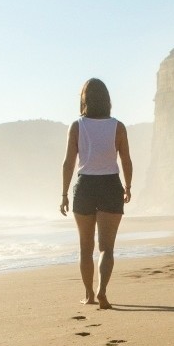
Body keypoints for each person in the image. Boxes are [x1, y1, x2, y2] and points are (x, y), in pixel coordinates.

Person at [60, 78, 132, 309]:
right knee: (106, 248)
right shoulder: (117, 126)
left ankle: (89, 294)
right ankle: (103, 291)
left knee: (85, 247)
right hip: (111, 184)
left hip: (85, 186)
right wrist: (128, 187)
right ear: (107, 100)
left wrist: (63, 194)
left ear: (84, 99)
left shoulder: (77, 126)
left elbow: (68, 163)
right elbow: (126, 161)